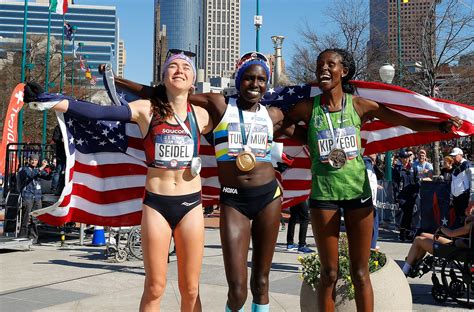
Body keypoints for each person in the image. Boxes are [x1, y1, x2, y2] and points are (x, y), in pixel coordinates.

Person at [274, 48, 462, 311]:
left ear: (344, 71)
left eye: (331, 64)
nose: (324, 69)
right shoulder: (308, 107)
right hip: (323, 196)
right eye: (320, 65)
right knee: (328, 273)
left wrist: (438, 125)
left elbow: (406, 121)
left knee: (360, 272)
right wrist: (307, 139)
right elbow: (280, 123)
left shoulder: (359, 106)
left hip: (357, 195)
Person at [24, 51, 212, 312]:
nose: (179, 70)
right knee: (155, 286)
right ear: (163, 76)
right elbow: (98, 112)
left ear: (193, 80)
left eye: (186, 68)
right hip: (157, 205)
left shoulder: (202, 115)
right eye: (173, 67)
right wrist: (54, 101)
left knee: (191, 288)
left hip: (191, 205)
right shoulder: (147, 109)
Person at [114, 51, 284, 312]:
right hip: (233, 199)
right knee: (237, 290)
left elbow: (308, 128)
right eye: (248, 78)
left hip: (268, 197)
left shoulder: (274, 114)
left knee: (261, 283)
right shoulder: (219, 105)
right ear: (238, 80)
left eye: (262, 79)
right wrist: (118, 81)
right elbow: (166, 93)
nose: (255, 84)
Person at [402, 206, 473, 277]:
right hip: (458, 246)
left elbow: (451, 233)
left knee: (418, 240)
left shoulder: (471, 225)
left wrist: (441, 228)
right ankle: (413, 265)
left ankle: (405, 271)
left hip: (456, 250)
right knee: (423, 234)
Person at [17, 153, 50, 243]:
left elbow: (47, 177)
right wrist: (41, 168)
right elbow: (31, 175)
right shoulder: (24, 169)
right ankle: (22, 236)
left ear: (37, 161)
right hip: (28, 196)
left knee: (35, 218)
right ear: (28, 160)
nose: (33, 161)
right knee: (26, 217)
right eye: (32, 160)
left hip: (37, 197)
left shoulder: (38, 169)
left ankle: (33, 237)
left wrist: (49, 168)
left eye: (35, 160)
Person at [393, 150, 418, 242]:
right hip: (402, 195)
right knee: (403, 214)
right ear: (401, 158)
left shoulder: (413, 168)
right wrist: (396, 196)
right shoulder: (397, 169)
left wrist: (416, 192)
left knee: (409, 215)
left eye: (407, 157)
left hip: (411, 195)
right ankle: (402, 234)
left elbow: (416, 181)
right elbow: (395, 183)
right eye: (404, 157)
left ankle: (407, 233)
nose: (406, 159)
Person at [450, 147, 472, 228]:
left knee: (465, 219)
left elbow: (472, 182)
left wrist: (471, 198)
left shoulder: (467, 164)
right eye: (452, 156)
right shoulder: (455, 166)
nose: (453, 158)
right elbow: (453, 181)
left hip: (464, 197)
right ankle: (459, 237)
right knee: (459, 219)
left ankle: (465, 238)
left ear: (460, 155)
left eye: (455, 156)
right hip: (456, 198)